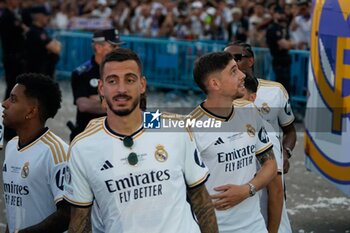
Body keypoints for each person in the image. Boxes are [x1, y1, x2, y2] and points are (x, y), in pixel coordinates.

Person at [64, 48, 218, 233]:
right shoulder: (82, 147)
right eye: (113, 81)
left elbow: (201, 200)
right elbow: (80, 222)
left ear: (142, 85)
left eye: (130, 80)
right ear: (102, 88)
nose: (121, 89)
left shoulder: (175, 128)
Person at [190, 51, 277, 232]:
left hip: (254, 226)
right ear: (215, 84)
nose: (243, 75)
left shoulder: (249, 111)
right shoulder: (191, 128)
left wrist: (247, 189)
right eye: (233, 71)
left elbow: (270, 165)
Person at [225, 42, 296, 233]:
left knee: (274, 203)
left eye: (236, 58)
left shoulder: (275, 91)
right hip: (239, 198)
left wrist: (285, 154)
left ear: (250, 60)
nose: (232, 62)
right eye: (227, 59)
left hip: (269, 172)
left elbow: (290, 131)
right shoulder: (222, 94)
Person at [1, 73, 70, 233]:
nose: (4, 104)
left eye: (13, 99)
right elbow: (14, 210)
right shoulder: (11, 146)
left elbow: (67, 214)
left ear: (31, 111)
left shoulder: (56, 152)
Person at [234, 74, 284, 233]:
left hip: (258, 222)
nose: (234, 102)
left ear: (252, 97)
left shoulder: (263, 131)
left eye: (240, 97)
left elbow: (276, 191)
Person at [69, 28, 124, 141]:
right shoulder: (81, 73)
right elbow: (84, 105)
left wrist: (98, 100)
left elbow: (137, 102)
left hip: (115, 135)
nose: (118, 50)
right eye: (114, 46)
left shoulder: (122, 71)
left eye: (119, 46)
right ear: (98, 47)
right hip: (88, 136)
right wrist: (117, 104)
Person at [0, 0, 27, 100]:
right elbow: (8, 37)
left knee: (17, 85)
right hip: (12, 55)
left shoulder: (15, 14)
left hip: (18, 55)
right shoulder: (6, 16)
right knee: (11, 85)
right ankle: (5, 111)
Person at [265, 6, 295, 93]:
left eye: (282, 14)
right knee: (280, 85)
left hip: (285, 60)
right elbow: (285, 44)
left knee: (287, 85)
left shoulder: (283, 29)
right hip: (278, 60)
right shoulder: (273, 29)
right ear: (274, 14)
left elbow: (289, 42)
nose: (281, 16)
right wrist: (288, 44)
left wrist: (289, 44)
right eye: (279, 14)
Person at [25, 6, 61, 78]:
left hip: (43, 71)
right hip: (37, 71)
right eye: (45, 16)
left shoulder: (41, 30)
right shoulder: (35, 31)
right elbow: (56, 49)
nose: (47, 18)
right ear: (39, 16)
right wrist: (56, 44)